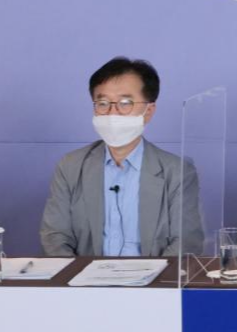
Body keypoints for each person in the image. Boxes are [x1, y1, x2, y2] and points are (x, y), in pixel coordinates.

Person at [40, 57, 204, 257]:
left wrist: (155, 275)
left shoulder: (177, 172)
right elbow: (55, 236)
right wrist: (78, 274)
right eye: (102, 103)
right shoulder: (70, 166)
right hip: (84, 275)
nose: (112, 113)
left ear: (148, 111)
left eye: (125, 103)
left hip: (155, 276)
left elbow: (186, 241)